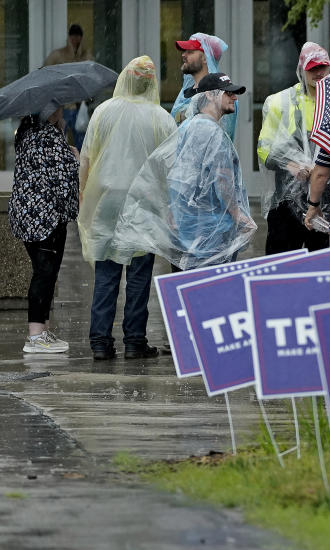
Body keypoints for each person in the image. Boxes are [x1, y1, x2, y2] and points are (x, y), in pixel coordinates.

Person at [78, 56, 177, 360]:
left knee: (107, 272)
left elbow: (86, 159)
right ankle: (134, 341)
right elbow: (173, 167)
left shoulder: (103, 112)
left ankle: (100, 341)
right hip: (143, 204)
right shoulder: (162, 118)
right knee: (138, 275)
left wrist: (83, 195)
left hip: (107, 201)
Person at [111, 73, 255, 271]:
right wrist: (238, 214)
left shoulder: (187, 126)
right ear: (211, 95)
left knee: (186, 291)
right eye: (229, 93)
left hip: (186, 229)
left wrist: (174, 211)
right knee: (209, 293)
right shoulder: (213, 133)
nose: (235, 98)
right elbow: (223, 180)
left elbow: (177, 174)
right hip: (211, 231)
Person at [8, 106, 79, 354]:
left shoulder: (26, 131)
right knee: (45, 273)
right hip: (44, 217)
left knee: (45, 273)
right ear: (48, 110)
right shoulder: (46, 135)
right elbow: (62, 179)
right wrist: (75, 159)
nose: (62, 110)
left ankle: (42, 331)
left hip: (29, 214)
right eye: (57, 106)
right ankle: (36, 336)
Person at [258, 42, 330, 254]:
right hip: (287, 203)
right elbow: (264, 148)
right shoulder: (280, 102)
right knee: (281, 270)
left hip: (325, 203)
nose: (318, 73)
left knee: (322, 271)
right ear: (301, 69)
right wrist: (290, 164)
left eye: (322, 67)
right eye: (312, 68)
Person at [171, 33, 237, 141]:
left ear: (206, 58)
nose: (183, 55)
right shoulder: (185, 93)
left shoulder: (219, 95)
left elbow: (219, 139)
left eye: (190, 52)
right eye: (184, 51)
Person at [43, 24, 92, 150]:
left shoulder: (85, 55)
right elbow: (45, 72)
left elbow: (90, 76)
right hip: (62, 104)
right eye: (73, 36)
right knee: (60, 139)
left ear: (81, 37)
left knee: (81, 140)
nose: (75, 39)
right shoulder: (58, 54)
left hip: (79, 105)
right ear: (69, 37)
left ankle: (80, 165)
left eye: (78, 36)